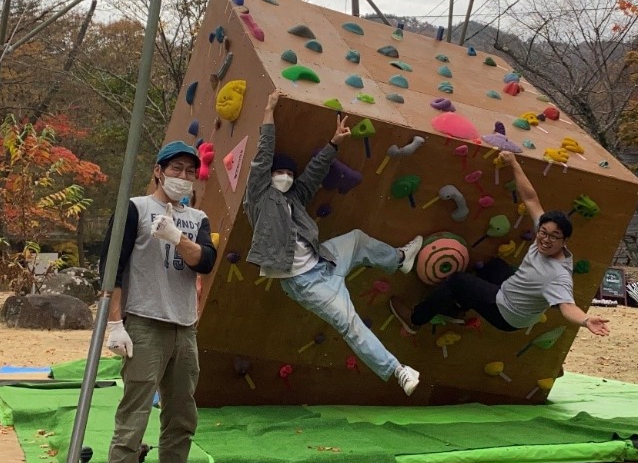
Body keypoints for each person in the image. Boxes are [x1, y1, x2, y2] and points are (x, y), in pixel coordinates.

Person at [243, 91, 424, 396]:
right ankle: (398, 370)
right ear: (269, 177)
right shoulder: (260, 197)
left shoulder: (294, 199)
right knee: (349, 322)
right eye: (280, 173)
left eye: (289, 173)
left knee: (356, 238)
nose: (285, 177)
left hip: (325, 259)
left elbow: (313, 174)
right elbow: (263, 154)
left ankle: (398, 260)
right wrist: (268, 110)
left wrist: (334, 143)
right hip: (306, 283)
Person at [99, 141, 217, 463]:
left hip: (185, 328)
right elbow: (112, 267)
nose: (182, 177)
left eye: (188, 171)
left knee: (182, 419)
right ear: (158, 170)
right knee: (132, 422)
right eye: (175, 169)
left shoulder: (197, 219)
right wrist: (116, 323)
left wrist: (176, 238)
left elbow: (206, 261)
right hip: (145, 324)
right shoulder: (135, 208)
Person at [388, 150, 610, 338]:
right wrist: (514, 164)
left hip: (508, 313)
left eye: (554, 237)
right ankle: (456, 307)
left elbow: (567, 306)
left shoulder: (557, 275)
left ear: (564, 241)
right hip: (513, 289)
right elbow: (531, 199)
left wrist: (586, 320)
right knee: (493, 266)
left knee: (457, 281)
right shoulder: (544, 233)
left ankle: (415, 319)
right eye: (543, 232)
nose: (545, 239)